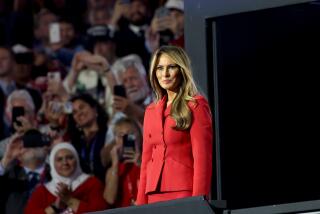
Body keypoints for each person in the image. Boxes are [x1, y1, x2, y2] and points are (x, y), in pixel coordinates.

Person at [136, 46, 213, 205]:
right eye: (160, 68)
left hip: (183, 192)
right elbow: (146, 162)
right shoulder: (150, 111)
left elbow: (202, 159)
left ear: (182, 69)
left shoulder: (195, 105)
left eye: (171, 67)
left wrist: (198, 202)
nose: (165, 74)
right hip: (152, 194)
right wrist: (140, 204)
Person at [25, 142, 108, 214]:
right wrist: (55, 207)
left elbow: (101, 211)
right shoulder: (43, 191)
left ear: (77, 160)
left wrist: (70, 200)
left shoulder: (92, 183)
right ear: (52, 164)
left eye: (69, 158)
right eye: (59, 159)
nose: (65, 163)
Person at [0, 129, 51, 214]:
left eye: (37, 141)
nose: (31, 146)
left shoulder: (57, 172)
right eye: (26, 143)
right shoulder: (8, 175)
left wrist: (55, 151)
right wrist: (6, 159)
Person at [68, 93, 109, 182]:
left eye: (82, 107)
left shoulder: (108, 133)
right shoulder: (75, 143)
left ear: (94, 109)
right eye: (74, 112)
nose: (79, 113)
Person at [103, 117, 142, 207]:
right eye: (121, 136)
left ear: (139, 136)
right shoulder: (113, 169)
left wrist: (141, 165)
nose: (126, 139)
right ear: (116, 140)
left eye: (131, 134)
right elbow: (110, 199)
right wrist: (115, 165)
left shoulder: (150, 161)